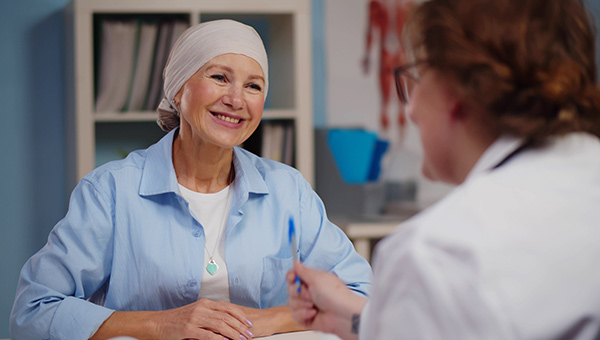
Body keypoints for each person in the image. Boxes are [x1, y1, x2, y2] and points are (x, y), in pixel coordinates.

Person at [10, 19, 372, 340]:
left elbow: (361, 291)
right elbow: (33, 311)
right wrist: (160, 325)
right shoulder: (110, 191)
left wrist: (266, 321)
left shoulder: (287, 190)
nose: (236, 99)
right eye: (219, 77)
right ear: (179, 90)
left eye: (254, 86)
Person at [288, 0, 600, 339]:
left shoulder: (436, 255)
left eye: (419, 76)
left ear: (456, 90)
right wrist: (357, 318)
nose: (412, 109)